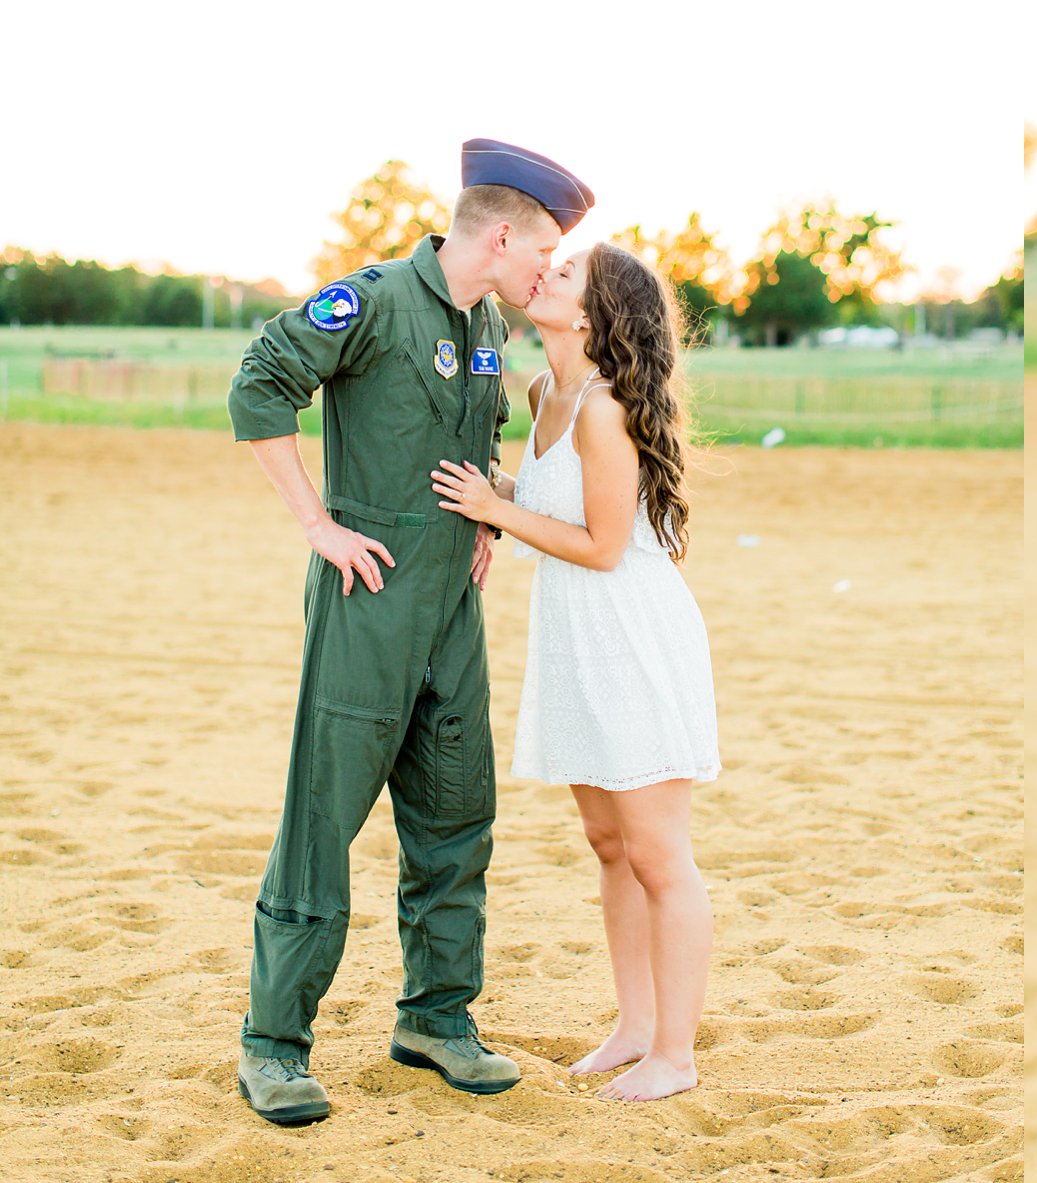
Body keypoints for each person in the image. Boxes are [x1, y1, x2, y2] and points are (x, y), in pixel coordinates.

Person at [227, 137, 594, 1126]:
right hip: (368, 594)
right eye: (545, 250)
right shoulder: (374, 298)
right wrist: (317, 522)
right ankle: (274, 1044)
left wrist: (481, 519)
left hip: (452, 604)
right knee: (323, 816)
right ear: (504, 231)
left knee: (454, 812)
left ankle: (436, 1018)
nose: (545, 272)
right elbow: (258, 384)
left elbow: (471, 435)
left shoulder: (484, 323)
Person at [430, 240, 717, 1102]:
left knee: (660, 856)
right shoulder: (544, 390)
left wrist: (493, 510)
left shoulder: (601, 408)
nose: (544, 275)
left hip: (631, 634)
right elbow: (566, 502)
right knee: (608, 845)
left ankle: (676, 1053)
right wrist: (502, 491)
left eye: (563, 274)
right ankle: (633, 1026)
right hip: (578, 641)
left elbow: (600, 544)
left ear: (589, 314)